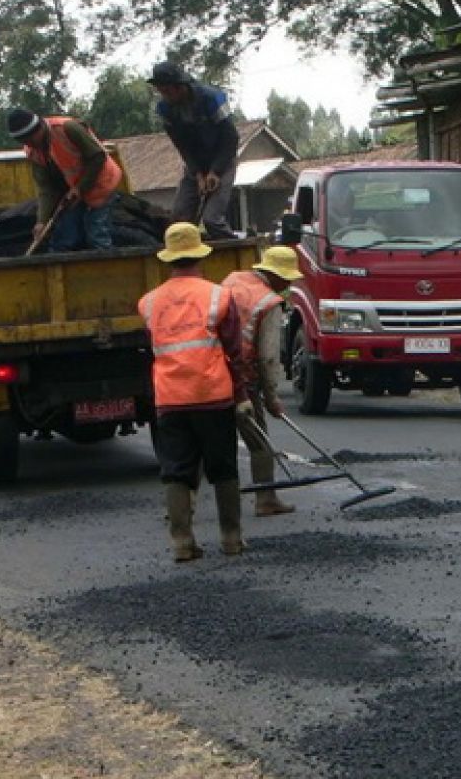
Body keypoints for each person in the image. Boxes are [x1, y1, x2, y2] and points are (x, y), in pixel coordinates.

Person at [138, 222, 250, 561]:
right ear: (201, 254)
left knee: (176, 470)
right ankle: (231, 538)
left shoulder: (149, 302)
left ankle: (182, 543)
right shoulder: (218, 295)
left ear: (169, 259)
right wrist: (242, 395)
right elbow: (234, 349)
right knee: (223, 468)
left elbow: (153, 346)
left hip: (170, 398)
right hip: (213, 394)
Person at [222, 247, 303, 516]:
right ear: (277, 276)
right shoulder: (268, 303)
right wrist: (272, 397)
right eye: (288, 279)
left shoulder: (232, 280)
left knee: (207, 440)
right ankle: (266, 498)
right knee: (258, 441)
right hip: (243, 379)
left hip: (212, 372)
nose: (289, 284)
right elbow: (268, 357)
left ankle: (186, 502)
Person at [7, 108, 123, 252]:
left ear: (40, 128)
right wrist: (42, 221)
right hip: (74, 193)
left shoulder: (67, 128)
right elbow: (46, 188)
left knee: (97, 235)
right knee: (64, 239)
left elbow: (98, 156)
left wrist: (79, 188)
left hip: (101, 184)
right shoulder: (33, 151)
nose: (29, 144)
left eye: (30, 140)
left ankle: (107, 269)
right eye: (24, 142)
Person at [147, 61, 240, 241]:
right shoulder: (165, 110)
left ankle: (237, 249)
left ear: (180, 87)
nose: (164, 96)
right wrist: (197, 174)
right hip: (195, 166)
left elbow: (231, 138)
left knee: (212, 220)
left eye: (167, 91)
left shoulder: (212, 99)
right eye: (161, 92)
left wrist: (215, 171)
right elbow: (181, 145)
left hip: (223, 160)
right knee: (179, 222)